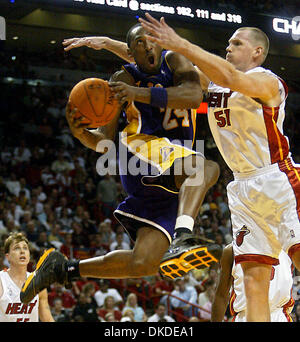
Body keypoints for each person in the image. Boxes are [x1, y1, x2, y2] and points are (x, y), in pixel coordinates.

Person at [20, 22, 222, 304]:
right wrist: (80, 132)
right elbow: (104, 143)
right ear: (130, 52)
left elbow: (192, 96)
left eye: (152, 40)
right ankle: (184, 236)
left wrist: (138, 93)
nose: (148, 45)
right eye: (140, 42)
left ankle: (62, 269)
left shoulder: (176, 61)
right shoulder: (122, 78)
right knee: (206, 168)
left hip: (171, 167)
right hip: (140, 152)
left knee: (144, 263)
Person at [139, 13, 300, 321]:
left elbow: (231, 77)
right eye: (227, 43)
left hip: (279, 179)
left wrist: (181, 43)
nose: (228, 47)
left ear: (257, 52)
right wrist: (111, 45)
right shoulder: (214, 83)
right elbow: (164, 67)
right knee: (253, 281)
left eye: (236, 43)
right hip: (242, 187)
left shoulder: (267, 81)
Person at [211, 244, 294, 322]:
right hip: (244, 316)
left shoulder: (288, 244)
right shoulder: (232, 250)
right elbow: (221, 295)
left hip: (278, 315)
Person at [0, 232, 54, 322]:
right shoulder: (1, 280)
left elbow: (47, 319)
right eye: (17, 248)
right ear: (8, 256)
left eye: (25, 248)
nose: (22, 251)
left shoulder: (38, 282)